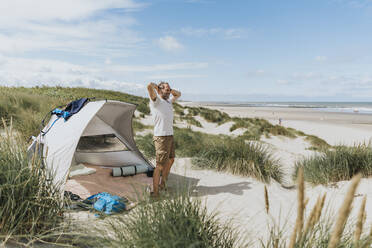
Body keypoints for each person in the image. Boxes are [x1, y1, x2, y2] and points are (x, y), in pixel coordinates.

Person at [147, 81, 181, 197]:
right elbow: (149, 87)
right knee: (160, 165)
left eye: (169, 89)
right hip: (161, 137)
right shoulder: (156, 101)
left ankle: (163, 184)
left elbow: (178, 94)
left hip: (170, 135)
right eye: (166, 89)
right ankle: (155, 193)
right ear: (160, 90)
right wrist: (156, 87)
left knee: (171, 160)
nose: (169, 90)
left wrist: (168, 90)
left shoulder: (168, 101)